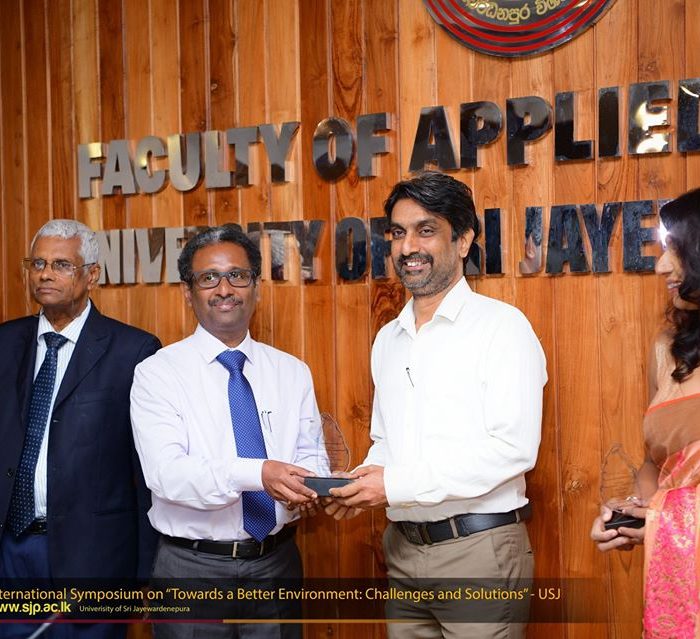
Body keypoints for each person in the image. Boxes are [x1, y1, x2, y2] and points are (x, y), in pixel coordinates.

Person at [326, 171, 548, 639]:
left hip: (478, 552)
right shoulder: (388, 339)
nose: (408, 247)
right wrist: (361, 482)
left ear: (463, 240)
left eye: (425, 230)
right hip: (403, 550)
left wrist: (392, 485)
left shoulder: (503, 328)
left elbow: (512, 449)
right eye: (398, 233)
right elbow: (387, 441)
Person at [130, 225, 322, 639]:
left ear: (256, 287)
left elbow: (311, 453)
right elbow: (167, 474)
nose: (224, 289)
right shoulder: (157, 374)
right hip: (191, 570)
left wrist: (311, 485)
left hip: (276, 565)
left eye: (237, 275)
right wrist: (259, 474)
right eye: (208, 278)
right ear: (188, 292)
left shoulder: (292, 371)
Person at [0, 219, 161, 639]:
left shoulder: (134, 350)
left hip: (93, 558)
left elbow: (145, 471)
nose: (45, 274)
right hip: (11, 551)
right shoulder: (5, 342)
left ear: (92, 275)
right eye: (37, 263)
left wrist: (147, 571)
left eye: (60, 265)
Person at [591, 189, 700, 637]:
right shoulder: (667, 350)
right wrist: (635, 514)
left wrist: (661, 518)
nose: (661, 266)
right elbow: (657, 464)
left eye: (677, 250)